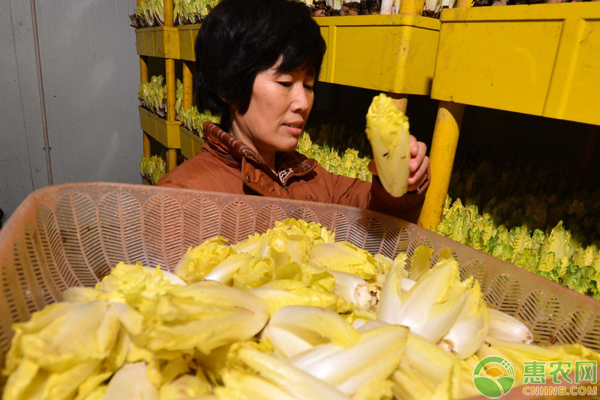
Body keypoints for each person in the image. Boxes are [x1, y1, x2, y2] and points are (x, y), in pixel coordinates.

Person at [158, 0, 430, 223]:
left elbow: (376, 215)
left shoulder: (313, 178)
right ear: (228, 86)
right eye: (285, 82)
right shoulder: (180, 200)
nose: (303, 102)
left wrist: (398, 182)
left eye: (309, 85)